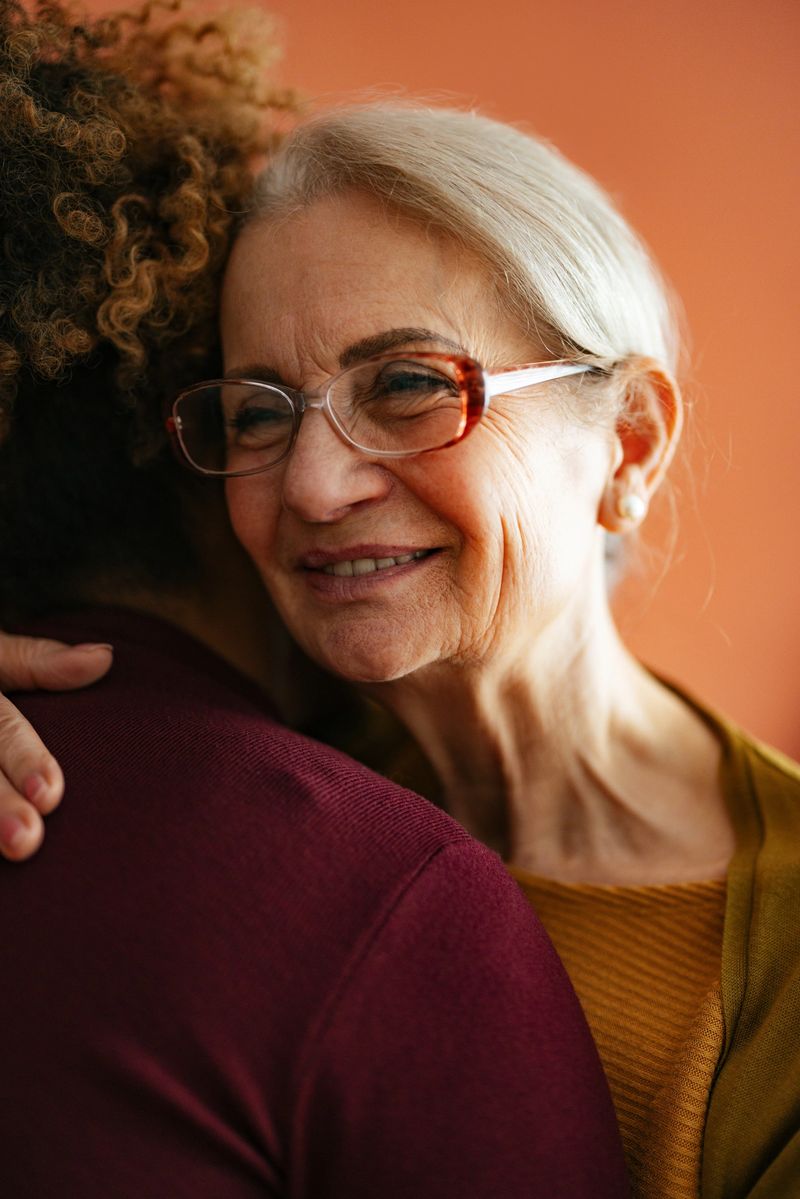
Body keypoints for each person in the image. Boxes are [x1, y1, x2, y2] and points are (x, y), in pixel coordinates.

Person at [3, 47, 798, 1199]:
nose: (316, 488)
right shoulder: (243, 761)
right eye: (257, 412)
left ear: (625, 441)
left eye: (410, 386)